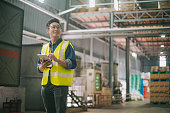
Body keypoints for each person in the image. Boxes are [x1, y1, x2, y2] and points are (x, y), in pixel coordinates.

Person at [37, 18, 77, 113]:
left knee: (60, 111)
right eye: (53, 27)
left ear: (61, 31)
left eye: (58, 27)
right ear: (48, 30)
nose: (56, 29)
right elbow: (39, 67)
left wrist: (56, 60)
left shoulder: (67, 45)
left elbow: (72, 63)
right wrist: (42, 66)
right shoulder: (44, 47)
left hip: (60, 85)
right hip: (46, 85)